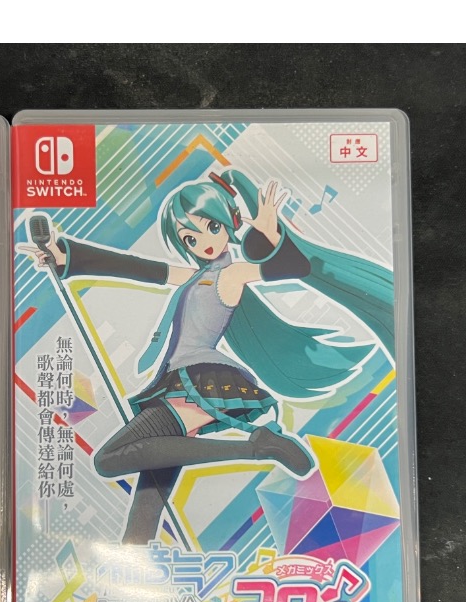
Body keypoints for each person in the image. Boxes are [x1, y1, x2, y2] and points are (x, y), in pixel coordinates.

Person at [20, 170, 393, 544]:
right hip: (178, 381)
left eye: (212, 227)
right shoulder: (193, 277)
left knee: (108, 460)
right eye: (190, 237)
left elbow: (293, 267)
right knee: (148, 502)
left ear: (230, 221)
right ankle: (131, 567)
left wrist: (271, 235)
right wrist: (65, 256)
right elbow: (136, 268)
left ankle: (257, 447)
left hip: (196, 381)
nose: (204, 242)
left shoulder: (232, 275)